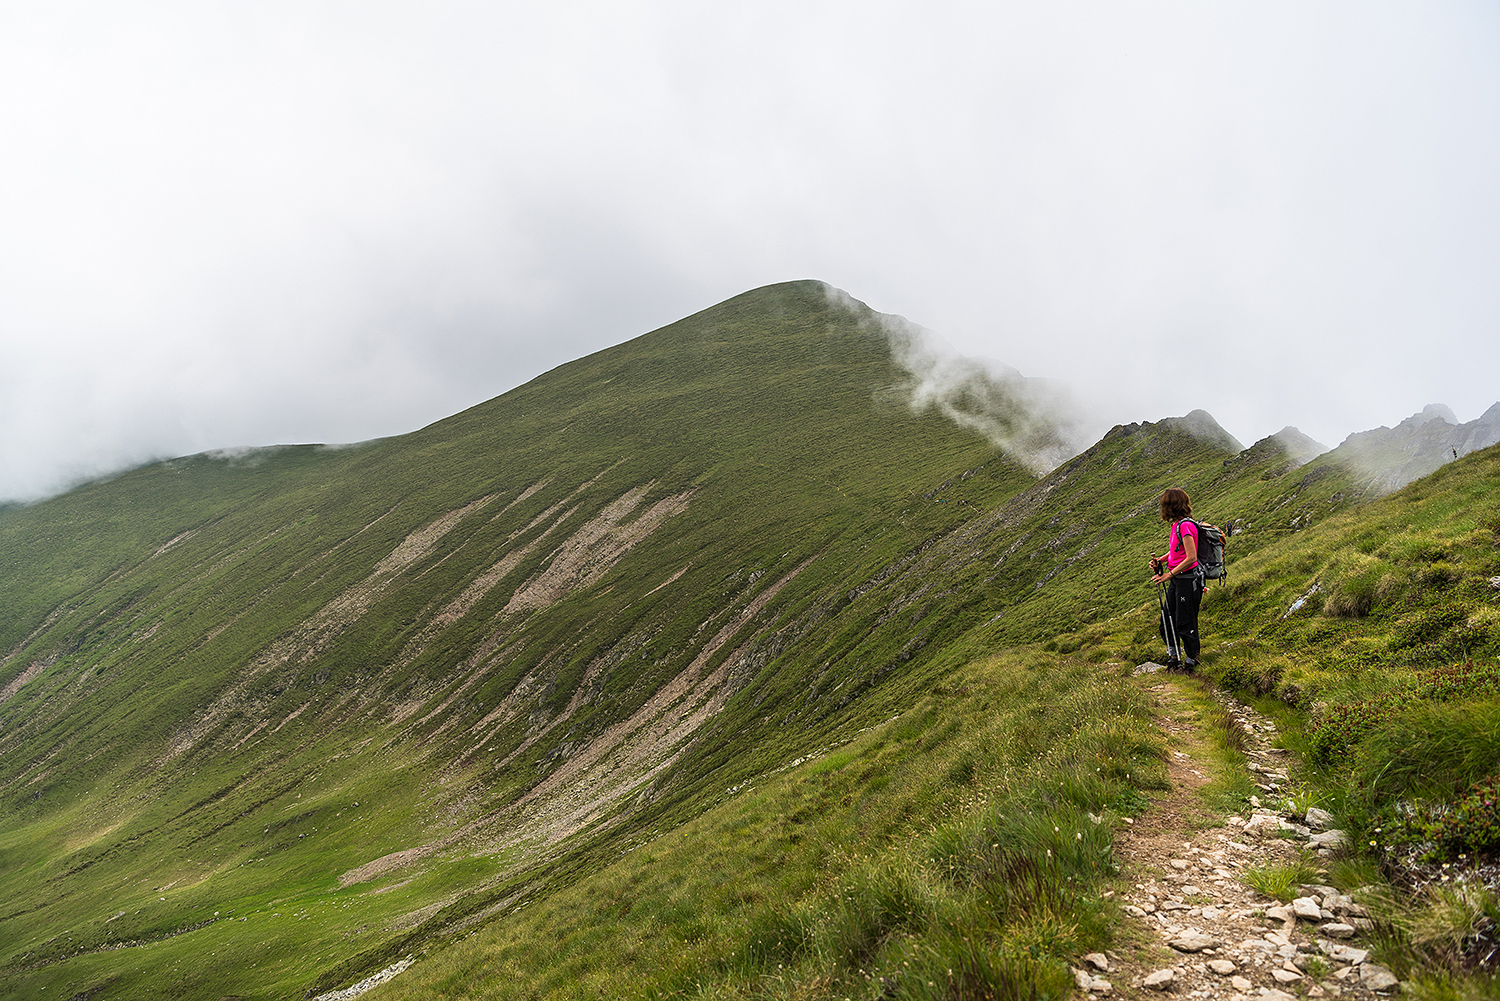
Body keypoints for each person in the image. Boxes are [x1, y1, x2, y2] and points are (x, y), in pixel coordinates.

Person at [1149, 487, 1203, 670]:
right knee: (1167, 620)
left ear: (1170, 506)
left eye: (1164, 505)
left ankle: (1191, 662)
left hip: (1187, 581)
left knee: (1185, 622)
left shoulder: (1186, 526)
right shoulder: (1177, 525)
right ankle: (1174, 658)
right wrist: (1162, 560)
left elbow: (1191, 557)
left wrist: (1168, 575)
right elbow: (1176, 551)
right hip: (1178, 580)